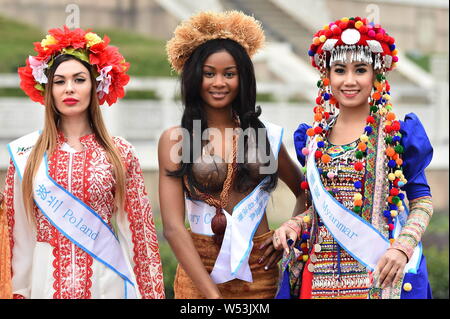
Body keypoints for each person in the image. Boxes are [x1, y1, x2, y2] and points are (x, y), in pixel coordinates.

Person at [274, 17, 433, 299]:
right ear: (327, 76)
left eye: (360, 70)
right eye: (339, 70)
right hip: (319, 278)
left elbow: (422, 203)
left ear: (376, 74)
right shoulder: (314, 140)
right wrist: (295, 225)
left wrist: (402, 248)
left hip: (380, 274)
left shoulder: (398, 136)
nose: (349, 81)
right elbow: (321, 214)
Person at [3, 26, 165, 299]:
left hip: (107, 283)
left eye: (79, 79)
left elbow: (138, 233)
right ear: (48, 88)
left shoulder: (120, 152)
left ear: (95, 84)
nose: (69, 88)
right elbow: (18, 235)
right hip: (46, 284)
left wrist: (150, 293)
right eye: (59, 81)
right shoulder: (26, 153)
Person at [159, 11, 305, 299]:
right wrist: (212, 295)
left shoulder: (264, 136)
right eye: (209, 73)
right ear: (194, 77)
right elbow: (174, 228)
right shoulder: (177, 139)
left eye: (229, 74)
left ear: (243, 78)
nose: (219, 83)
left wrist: (290, 231)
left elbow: (305, 191)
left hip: (259, 267)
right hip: (198, 271)